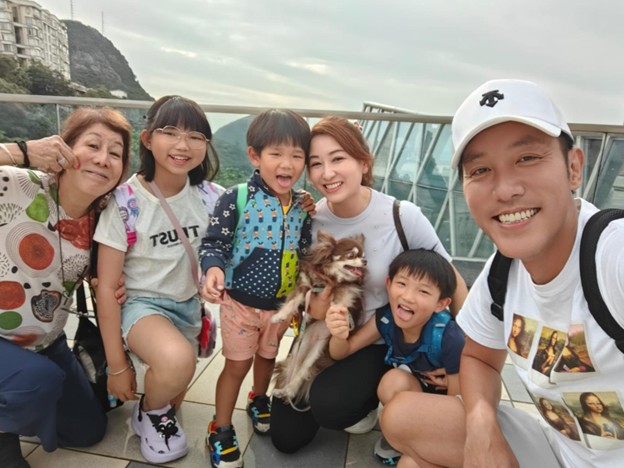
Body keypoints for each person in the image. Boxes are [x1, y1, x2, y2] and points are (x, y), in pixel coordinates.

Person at [380, 78, 624, 467]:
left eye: (527, 158)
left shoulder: (610, 256)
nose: (506, 189)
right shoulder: (503, 271)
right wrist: (481, 424)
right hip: (558, 449)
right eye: (481, 169)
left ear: (573, 167)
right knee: (402, 419)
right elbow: (479, 358)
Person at [270, 115, 468, 454]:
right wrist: (319, 307)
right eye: (316, 164)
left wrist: (465, 353)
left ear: (363, 162)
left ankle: (372, 399)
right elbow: (307, 293)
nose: (327, 173)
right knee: (286, 438)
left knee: (332, 406)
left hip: (380, 337)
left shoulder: (401, 216)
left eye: (338, 159)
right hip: (325, 331)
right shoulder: (310, 219)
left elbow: (451, 279)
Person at [0, 107, 132, 468]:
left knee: (87, 431)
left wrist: (111, 283)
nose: (103, 159)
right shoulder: (16, 183)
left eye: (115, 153)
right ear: (64, 148)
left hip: (45, 341)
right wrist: (22, 151)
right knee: (37, 380)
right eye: (93, 145)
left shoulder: (103, 218)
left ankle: (20, 398)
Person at [94, 96, 223, 464]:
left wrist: (301, 202)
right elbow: (107, 287)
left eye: (195, 136)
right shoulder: (125, 202)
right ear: (148, 139)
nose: (183, 145)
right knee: (176, 363)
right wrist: (117, 366)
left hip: (188, 307)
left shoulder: (211, 198)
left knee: (175, 380)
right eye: (170, 133)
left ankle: (154, 408)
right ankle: (150, 413)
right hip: (142, 306)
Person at [199, 109, 312, 468]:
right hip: (240, 305)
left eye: (296, 155)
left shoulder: (302, 206)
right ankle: (220, 427)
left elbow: (305, 252)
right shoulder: (237, 198)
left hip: (280, 307)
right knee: (236, 365)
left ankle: (258, 398)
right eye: (276, 153)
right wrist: (213, 269)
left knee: (267, 358)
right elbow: (214, 242)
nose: (287, 164)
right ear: (254, 156)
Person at [326, 248, 465, 464]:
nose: (408, 297)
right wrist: (338, 336)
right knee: (392, 382)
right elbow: (342, 352)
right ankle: (404, 437)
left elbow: (456, 404)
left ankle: (423, 443)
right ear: (388, 284)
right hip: (415, 394)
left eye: (423, 291)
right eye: (402, 284)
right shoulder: (386, 319)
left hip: (443, 406)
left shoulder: (449, 337)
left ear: (441, 304)